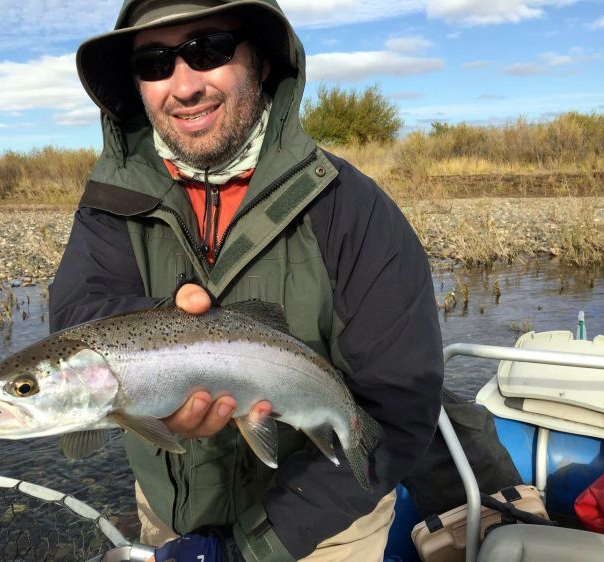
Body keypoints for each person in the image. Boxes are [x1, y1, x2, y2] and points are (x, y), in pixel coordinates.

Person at [49, 0, 444, 560]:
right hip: (171, 516)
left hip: (326, 530)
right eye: (155, 63)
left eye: (206, 50)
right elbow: (77, 324)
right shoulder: (109, 206)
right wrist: (165, 326)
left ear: (260, 60)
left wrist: (254, 549)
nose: (183, 85)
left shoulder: (353, 210)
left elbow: (398, 406)